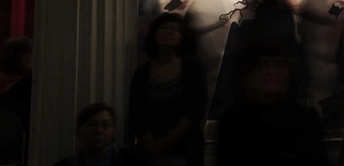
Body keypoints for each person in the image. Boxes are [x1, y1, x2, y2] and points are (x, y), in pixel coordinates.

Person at [217, 42, 328, 166]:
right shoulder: (234, 123)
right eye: (263, 66)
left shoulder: (306, 118)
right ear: (246, 76)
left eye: (280, 65)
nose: (273, 72)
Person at [129, 12, 208, 165]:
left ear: (182, 37)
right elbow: (136, 111)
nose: (169, 31)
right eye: (164, 27)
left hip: (186, 147)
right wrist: (148, 141)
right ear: (154, 33)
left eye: (175, 29)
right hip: (150, 150)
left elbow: (196, 109)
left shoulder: (192, 67)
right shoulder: (142, 72)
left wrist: (165, 141)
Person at [54, 103, 138, 166]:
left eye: (105, 125)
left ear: (113, 131)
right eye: (92, 124)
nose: (99, 130)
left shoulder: (132, 160)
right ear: (79, 131)